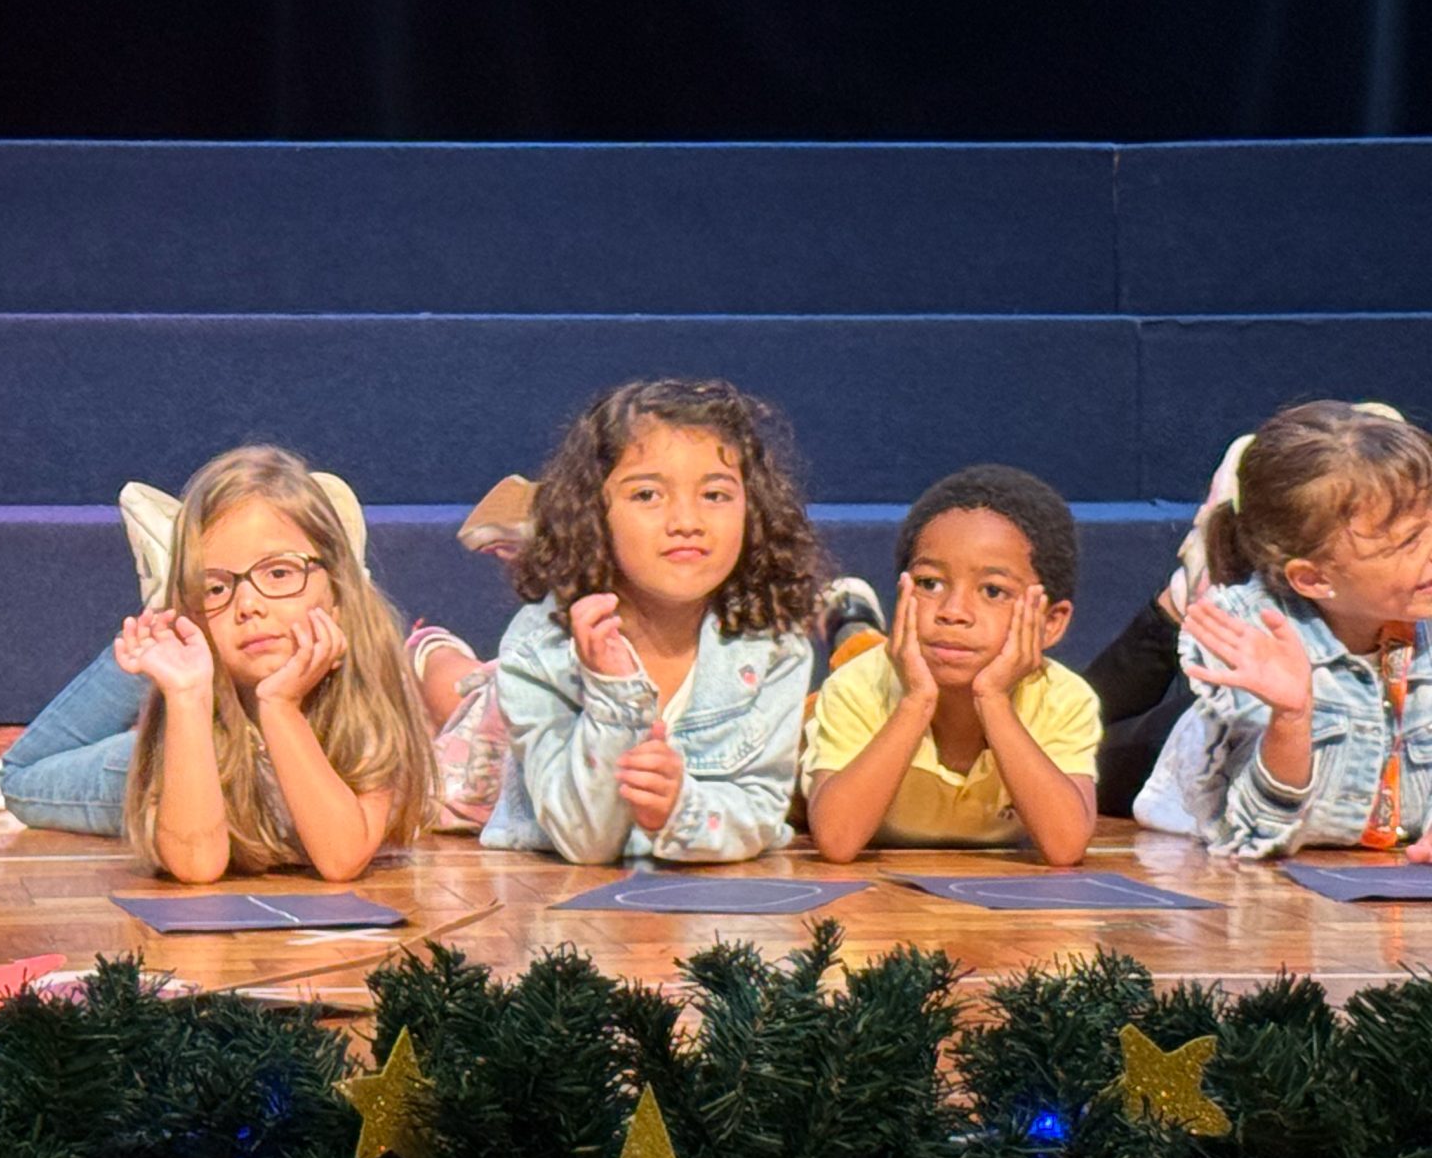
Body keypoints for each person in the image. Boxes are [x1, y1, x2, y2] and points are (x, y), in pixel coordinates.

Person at [479, 378, 820, 864]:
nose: (687, 522)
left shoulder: (774, 646)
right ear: (595, 513)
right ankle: (433, 651)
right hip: (489, 768)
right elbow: (586, 842)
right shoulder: (538, 646)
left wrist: (680, 809)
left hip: (687, 883)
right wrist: (611, 692)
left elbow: (759, 813)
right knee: (462, 715)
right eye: (646, 495)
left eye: (715, 495)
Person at [108, 445, 431, 882]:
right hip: (126, 766)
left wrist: (280, 706)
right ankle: (159, 612)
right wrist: (185, 695)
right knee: (27, 781)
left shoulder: (367, 683)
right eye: (215, 587)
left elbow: (342, 858)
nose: (248, 605)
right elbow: (195, 865)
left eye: (279, 573)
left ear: (338, 587)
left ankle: (172, 592)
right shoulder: (193, 691)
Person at [1156, 402, 1432, 858]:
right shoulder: (1251, 634)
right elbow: (1250, 832)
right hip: (1156, 767)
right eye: (1408, 541)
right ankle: (1181, 589)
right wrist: (1291, 717)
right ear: (1314, 578)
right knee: (1110, 735)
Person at [802, 466, 1100, 865]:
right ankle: (852, 628)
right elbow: (837, 841)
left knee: (868, 650)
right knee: (845, 675)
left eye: (992, 591)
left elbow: (1065, 847)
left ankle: (854, 625)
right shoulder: (856, 687)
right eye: (930, 584)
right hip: (830, 714)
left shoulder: (1064, 699)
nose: (953, 611)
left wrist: (993, 699)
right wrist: (916, 702)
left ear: (1051, 622)